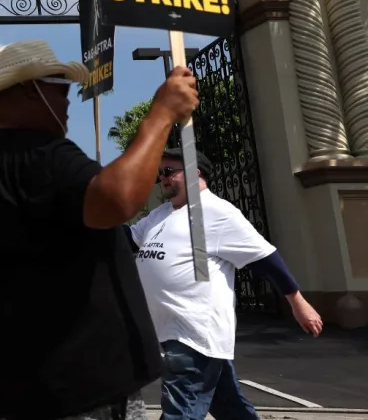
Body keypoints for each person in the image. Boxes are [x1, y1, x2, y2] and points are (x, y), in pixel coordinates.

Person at [0, 39, 198, 420]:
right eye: (58, 85)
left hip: (22, 378)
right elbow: (115, 200)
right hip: (78, 386)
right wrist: (161, 115)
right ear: (30, 89)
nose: (67, 99)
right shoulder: (33, 153)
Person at [130, 147, 323, 420]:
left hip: (194, 331)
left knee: (179, 410)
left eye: (168, 172)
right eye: (160, 173)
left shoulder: (216, 212)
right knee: (231, 408)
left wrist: (298, 302)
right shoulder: (160, 214)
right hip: (173, 330)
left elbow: (265, 258)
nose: (162, 178)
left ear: (194, 173)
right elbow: (129, 239)